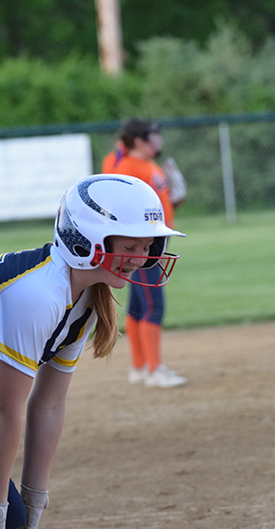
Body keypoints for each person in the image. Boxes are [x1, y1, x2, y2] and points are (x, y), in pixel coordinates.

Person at [0, 174, 185, 529]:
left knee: (13, 520)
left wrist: (34, 497)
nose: (140, 259)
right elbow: (5, 409)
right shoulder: (39, 295)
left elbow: (49, 404)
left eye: (148, 248)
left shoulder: (87, 299)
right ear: (85, 238)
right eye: (129, 248)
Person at [101, 118, 188, 388]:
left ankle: (139, 367)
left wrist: (174, 198)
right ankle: (154, 369)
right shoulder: (127, 167)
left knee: (140, 305)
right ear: (139, 141)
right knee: (153, 304)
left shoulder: (148, 165)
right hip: (143, 244)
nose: (158, 140)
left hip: (156, 238)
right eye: (153, 135)